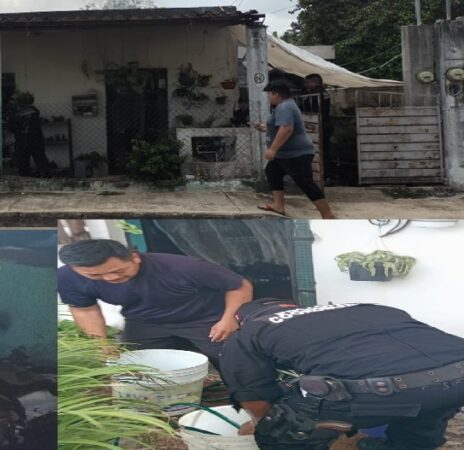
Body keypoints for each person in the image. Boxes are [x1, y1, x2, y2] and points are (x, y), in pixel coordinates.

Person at [220, 298, 464, 450]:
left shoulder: (251, 330)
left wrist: (266, 423)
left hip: (382, 391)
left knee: (282, 434)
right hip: (458, 375)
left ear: (243, 320)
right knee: (431, 400)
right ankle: (409, 445)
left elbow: (252, 394)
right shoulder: (368, 306)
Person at [57, 239, 253, 367]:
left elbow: (240, 286)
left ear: (135, 257)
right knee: (142, 365)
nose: (109, 278)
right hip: (143, 321)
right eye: (95, 275)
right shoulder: (67, 277)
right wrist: (101, 344)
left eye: (118, 271)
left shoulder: (184, 267)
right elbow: (85, 310)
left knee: (234, 361)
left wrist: (230, 319)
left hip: (204, 318)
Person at [254, 80, 336, 219]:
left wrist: (272, 149)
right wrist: (266, 128)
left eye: (269, 94)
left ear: (276, 94)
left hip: (296, 153)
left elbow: (287, 128)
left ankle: (327, 214)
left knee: (305, 183)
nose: (268, 97)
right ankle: (278, 205)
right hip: (285, 153)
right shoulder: (284, 106)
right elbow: (281, 126)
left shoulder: (284, 107)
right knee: (272, 172)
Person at [8, 91, 50, 177]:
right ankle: (46, 175)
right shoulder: (35, 111)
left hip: (21, 140)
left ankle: (26, 177)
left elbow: (11, 128)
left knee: (23, 161)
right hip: (35, 139)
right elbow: (37, 126)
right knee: (40, 159)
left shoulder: (15, 113)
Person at [304, 74, 334, 185]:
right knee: (325, 150)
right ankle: (327, 176)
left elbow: (308, 109)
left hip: (319, 124)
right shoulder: (325, 92)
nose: (306, 85)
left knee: (318, 151)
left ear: (314, 82)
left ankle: (321, 176)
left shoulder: (314, 94)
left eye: (308, 82)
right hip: (326, 123)